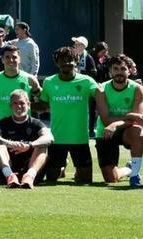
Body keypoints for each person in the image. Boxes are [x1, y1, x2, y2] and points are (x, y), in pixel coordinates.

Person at [38, 47, 98, 184]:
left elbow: (102, 95)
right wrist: (24, 103)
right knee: (52, 178)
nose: (66, 63)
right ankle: (62, 165)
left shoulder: (87, 81)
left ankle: (69, 166)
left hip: (80, 139)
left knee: (85, 181)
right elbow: (43, 105)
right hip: (57, 138)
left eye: (70, 60)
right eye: (62, 60)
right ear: (57, 63)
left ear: (76, 61)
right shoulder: (49, 82)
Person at [93, 55, 143, 186]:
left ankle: (135, 175)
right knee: (110, 178)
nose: (119, 72)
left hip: (127, 130)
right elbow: (105, 120)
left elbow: (137, 120)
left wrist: (115, 123)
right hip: (106, 132)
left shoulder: (137, 89)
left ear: (129, 71)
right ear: (110, 71)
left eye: (123, 68)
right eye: (115, 69)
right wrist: (129, 116)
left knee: (138, 131)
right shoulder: (101, 89)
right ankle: (129, 168)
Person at [0, 90, 52, 189]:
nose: (19, 106)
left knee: (42, 146)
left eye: (22, 103)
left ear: (28, 104)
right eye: (15, 103)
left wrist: (30, 145)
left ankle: (29, 177)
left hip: (31, 168)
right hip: (8, 167)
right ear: (10, 106)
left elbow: (49, 138)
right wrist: (9, 143)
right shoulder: (3, 123)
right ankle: (10, 176)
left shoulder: (36, 123)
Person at [0, 45, 41, 122]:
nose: (11, 60)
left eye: (14, 57)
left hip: (25, 125)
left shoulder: (30, 79)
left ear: (19, 59)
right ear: (2, 60)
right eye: (7, 57)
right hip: (2, 125)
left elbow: (43, 97)